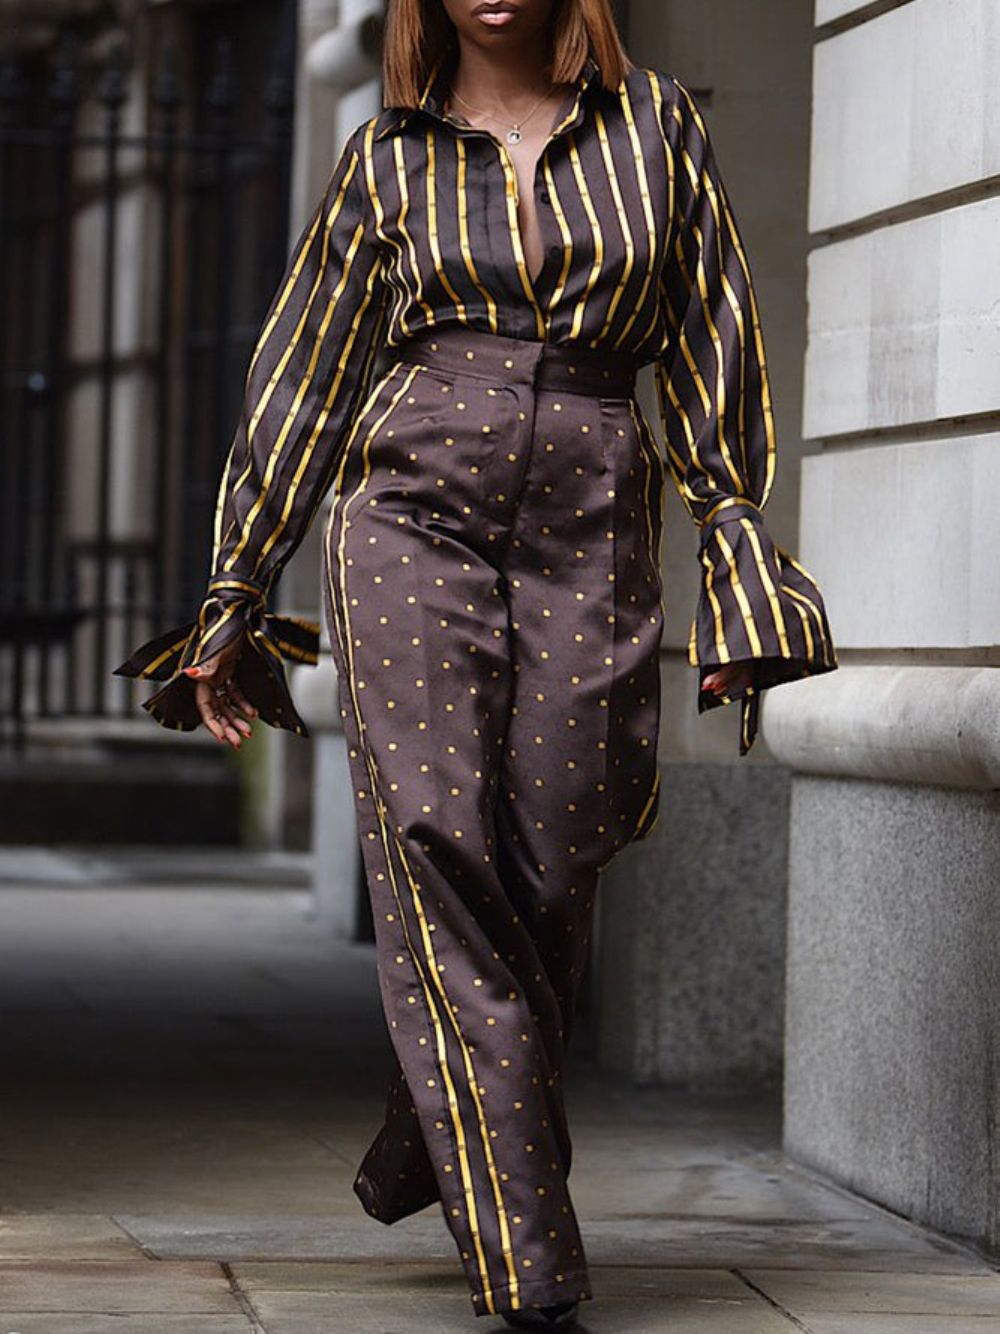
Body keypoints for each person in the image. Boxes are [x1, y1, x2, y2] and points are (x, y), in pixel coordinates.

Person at [116, 0, 837, 1326]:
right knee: (439, 838)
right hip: (408, 515)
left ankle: (430, 1128)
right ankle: (529, 1256)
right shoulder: (385, 159)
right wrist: (236, 587)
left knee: (559, 850)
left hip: (593, 508)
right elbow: (303, 381)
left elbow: (709, 340)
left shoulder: (659, 129)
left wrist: (740, 563)